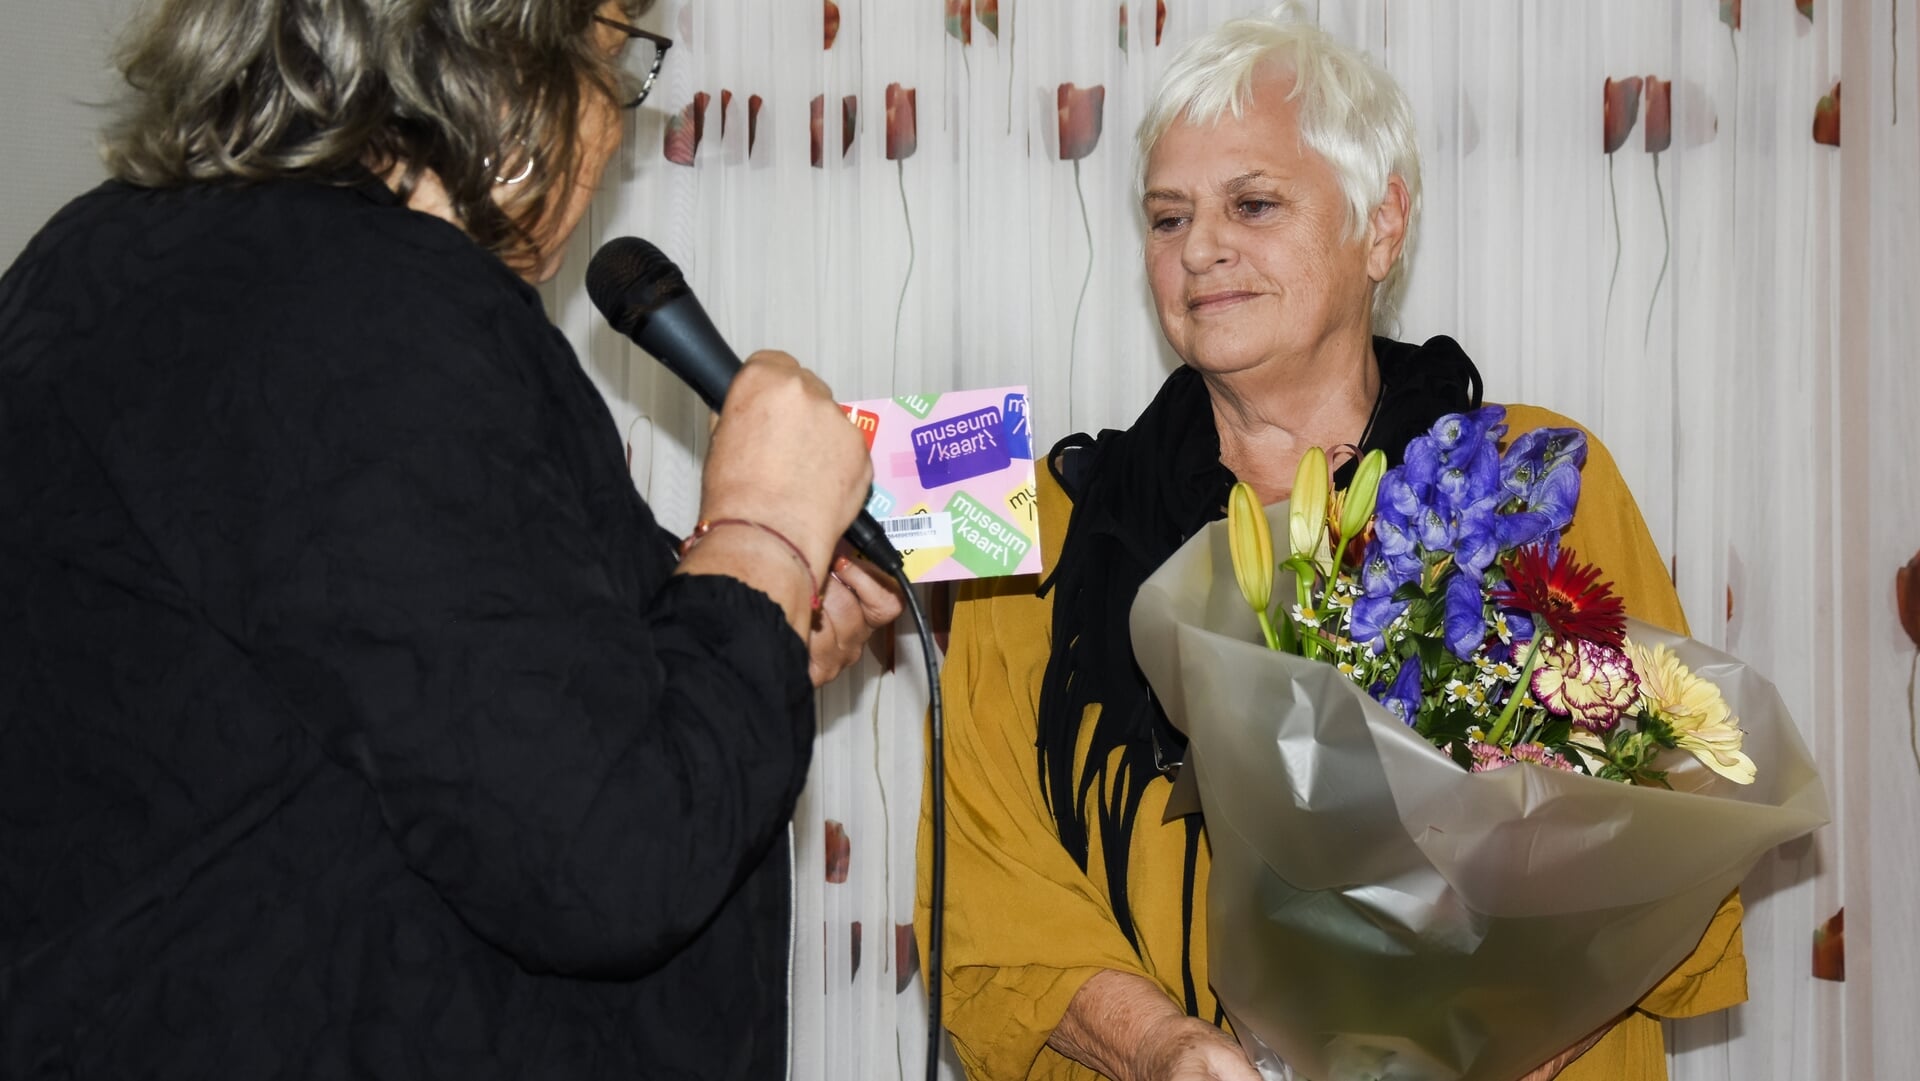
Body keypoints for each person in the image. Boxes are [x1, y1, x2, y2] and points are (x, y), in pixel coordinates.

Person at [0, 1, 902, 1078]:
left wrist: (751, 632)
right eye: (619, 61)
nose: (613, 126)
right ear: (510, 55)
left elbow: (416, 706)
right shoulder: (380, 312)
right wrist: (762, 532)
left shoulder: (93, 260)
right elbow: (608, 857)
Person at [915, 10, 1744, 1081]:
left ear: (1380, 224)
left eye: (1251, 204)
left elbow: (1668, 823)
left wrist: (1509, 1031)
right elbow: (987, 876)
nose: (1199, 248)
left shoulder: (1539, 482)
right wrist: (1162, 1048)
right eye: (1168, 219)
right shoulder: (1044, 524)